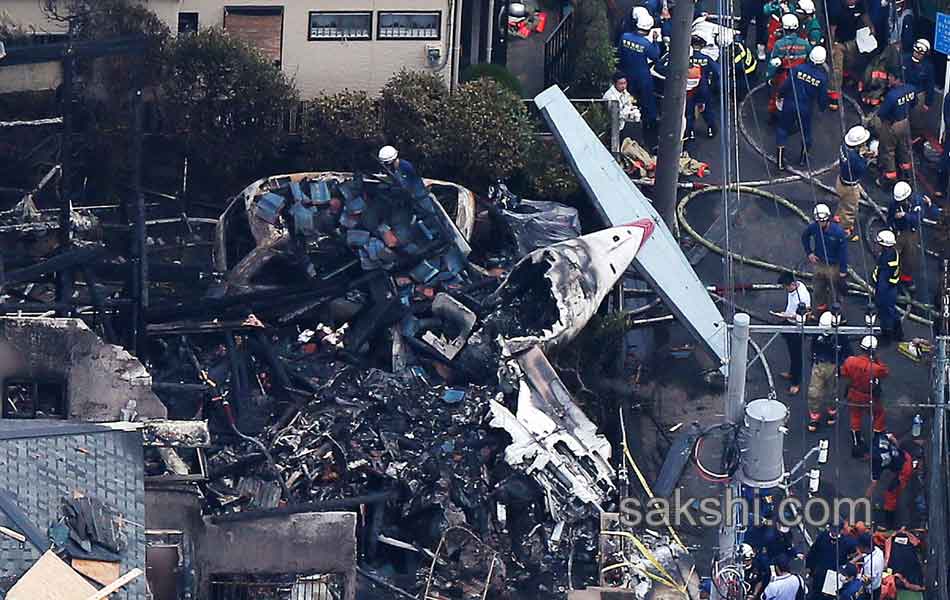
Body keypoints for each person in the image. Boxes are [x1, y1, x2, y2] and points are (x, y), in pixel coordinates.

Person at [776, 46, 828, 169]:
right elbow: (822, 97)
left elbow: (786, 85)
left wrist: (780, 95)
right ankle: (803, 159)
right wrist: (822, 108)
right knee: (806, 132)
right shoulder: (822, 78)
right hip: (806, 108)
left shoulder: (797, 69)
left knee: (783, 128)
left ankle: (779, 160)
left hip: (790, 103)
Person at [618, 13, 661, 150]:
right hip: (642, 77)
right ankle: (651, 129)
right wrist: (655, 41)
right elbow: (655, 56)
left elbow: (620, 52)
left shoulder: (624, 37)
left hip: (626, 74)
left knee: (628, 101)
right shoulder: (646, 44)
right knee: (648, 103)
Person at [841, 335, 889, 458]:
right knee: (879, 414)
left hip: (853, 393)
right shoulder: (876, 368)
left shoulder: (850, 361)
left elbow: (844, 373)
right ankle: (878, 436)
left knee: (855, 415)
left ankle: (857, 441)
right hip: (869, 396)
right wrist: (877, 359)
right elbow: (885, 372)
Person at [887, 181, 939, 293]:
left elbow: (918, 218)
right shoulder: (894, 203)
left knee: (910, 257)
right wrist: (890, 227)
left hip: (911, 233)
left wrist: (905, 215)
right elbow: (890, 215)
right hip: (898, 231)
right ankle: (889, 275)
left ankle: (906, 277)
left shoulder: (917, 202)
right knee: (892, 255)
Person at [806, 311, 851, 431]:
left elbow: (847, 353)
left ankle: (832, 411)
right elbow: (812, 347)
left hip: (833, 366)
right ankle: (814, 417)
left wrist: (841, 365)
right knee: (813, 393)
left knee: (833, 392)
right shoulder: (818, 334)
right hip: (819, 364)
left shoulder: (840, 336)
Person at [801, 203, 849, 312]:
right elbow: (805, 236)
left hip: (833, 266)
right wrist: (809, 253)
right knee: (818, 288)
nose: (821, 223)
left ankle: (836, 312)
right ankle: (821, 307)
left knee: (835, 290)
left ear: (828, 219)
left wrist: (843, 270)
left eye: (823, 221)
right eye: (819, 221)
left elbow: (843, 252)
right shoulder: (814, 227)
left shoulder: (838, 232)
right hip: (820, 263)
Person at [872, 72, 917, 186]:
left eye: (891, 77)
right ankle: (906, 173)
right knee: (903, 147)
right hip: (905, 123)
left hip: (892, 125)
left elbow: (882, 113)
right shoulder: (912, 89)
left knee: (888, 151)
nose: (889, 79)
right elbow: (914, 103)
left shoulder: (892, 95)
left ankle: (889, 178)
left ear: (897, 79)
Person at [829, 0, 873, 111]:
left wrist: (870, 26)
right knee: (836, 69)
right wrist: (831, 46)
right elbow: (832, 29)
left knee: (852, 62)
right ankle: (834, 95)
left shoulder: (859, 4)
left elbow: (864, 15)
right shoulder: (836, 9)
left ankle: (847, 77)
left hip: (852, 40)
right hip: (838, 42)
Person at [771, 272, 811, 394]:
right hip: (788, 321)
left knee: (796, 355)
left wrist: (787, 315)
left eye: (786, 287)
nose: (785, 289)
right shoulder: (794, 289)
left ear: (793, 284)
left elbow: (806, 315)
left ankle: (796, 382)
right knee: (791, 350)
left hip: (797, 328)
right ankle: (792, 373)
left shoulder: (802, 297)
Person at [767, 14, 811, 122]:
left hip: (783, 75)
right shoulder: (804, 43)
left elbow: (773, 63)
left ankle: (773, 116)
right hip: (800, 75)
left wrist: (770, 77)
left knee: (776, 95)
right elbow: (809, 59)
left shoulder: (779, 44)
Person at [866, 432, 915, 529]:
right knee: (891, 489)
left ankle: (889, 524)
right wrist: (897, 449)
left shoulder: (876, 462)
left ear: (865, 455)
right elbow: (891, 436)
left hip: (904, 471)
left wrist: (866, 497)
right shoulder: (877, 440)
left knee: (891, 495)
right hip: (905, 456)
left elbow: (874, 483)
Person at [835, 125, 873, 242]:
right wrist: (866, 159)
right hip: (849, 187)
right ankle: (845, 231)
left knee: (843, 204)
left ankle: (838, 218)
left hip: (840, 181)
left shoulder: (844, 147)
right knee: (850, 210)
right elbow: (862, 169)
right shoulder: (855, 159)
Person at [806, 522, 857, 599]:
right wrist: (809, 567)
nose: (834, 531)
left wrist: (847, 565)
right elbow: (813, 552)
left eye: (836, 529)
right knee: (816, 594)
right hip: (820, 573)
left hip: (834, 576)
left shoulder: (846, 542)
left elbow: (855, 553)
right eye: (832, 529)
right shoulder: (822, 537)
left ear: (841, 530)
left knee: (830, 597)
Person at [872, 229, 903, 343]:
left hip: (886, 290)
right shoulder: (892, 253)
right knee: (890, 311)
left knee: (886, 312)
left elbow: (882, 280)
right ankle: (898, 332)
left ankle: (887, 336)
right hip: (891, 288)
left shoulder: (886, 259)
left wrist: (878, 295)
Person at [689, 30, 721, 138]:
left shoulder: (686, 57)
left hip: (689, 90)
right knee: (707, 110)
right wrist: (714, 86)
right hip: (703, 89)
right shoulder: (706, 59)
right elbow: (717, 72)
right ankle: (711, 129)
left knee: (689, 111)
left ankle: (690, 132)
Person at [903, 40, 936, 137]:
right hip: (903, 91)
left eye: (920, 53)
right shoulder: (905, 59)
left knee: (916, 121)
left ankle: (916, 139)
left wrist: (927, 103)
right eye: (916, 51)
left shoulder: (928, 67)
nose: (917, 54)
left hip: (918, 95)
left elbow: (930, 85)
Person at [603, 72, 642, 141]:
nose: (624, 86)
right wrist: (627, 112)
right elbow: (615, 114)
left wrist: (631, 109)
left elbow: (629, 102)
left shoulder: (624, 92)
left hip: (626, 122)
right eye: (621, 83)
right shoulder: (610, 96)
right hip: (615, 126)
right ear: (615, 84)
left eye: (625, 83)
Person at [854, 533, 884, 599]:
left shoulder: (870, 564)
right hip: (878, 586)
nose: (858, 548)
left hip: (870, 592)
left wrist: (856, 580)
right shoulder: (878, 550)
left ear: (865, 547)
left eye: (859, 546)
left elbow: (867, 580)